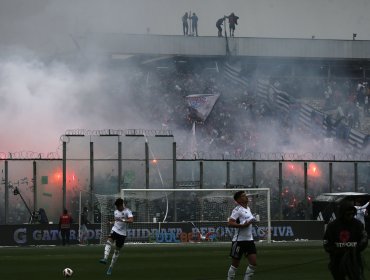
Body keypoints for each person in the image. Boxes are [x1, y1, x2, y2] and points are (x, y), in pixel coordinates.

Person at [323, 200, 368, 280]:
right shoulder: (333, 226)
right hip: (337, 260)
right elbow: (326, 242)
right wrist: (335, 250)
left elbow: (364, 238)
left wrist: (357, 248)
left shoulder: (358, 224)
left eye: (352, 214)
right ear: (342, 213)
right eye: (348, 214)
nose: (350, 216)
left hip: (354, 259)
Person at [227, 191, 258, 280]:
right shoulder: (237, 210)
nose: (246, 197)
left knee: (253, 263)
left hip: (249, 240)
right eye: (243, 196)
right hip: (239, 241)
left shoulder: (248, 208)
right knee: (235, 265)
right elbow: (230, 223)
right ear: (239, 200)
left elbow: (247, 221)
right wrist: (242, 225)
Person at [99, 198, 133, 276]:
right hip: (115, 230)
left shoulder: (127, 211)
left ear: (121, 205)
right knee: (108, 241)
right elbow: (117, 221)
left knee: (117, 251)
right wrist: (111, 222)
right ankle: (105, 258)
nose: (117, 208)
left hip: (122, 234)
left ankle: (110, 267)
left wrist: (123, 220)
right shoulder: (115, 212)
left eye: (118, 206)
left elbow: (131, 220)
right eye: (116, 207)